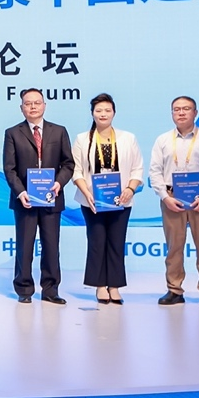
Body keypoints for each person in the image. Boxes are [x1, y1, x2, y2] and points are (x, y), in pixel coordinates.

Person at [148, 96, 199, 309]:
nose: (181, 113)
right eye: (177, 109)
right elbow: (154, 172)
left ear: (195, 112)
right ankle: (174, 290)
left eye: (186, 109)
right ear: (172, 113)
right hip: (172, 199)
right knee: (174, 247)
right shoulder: (163, 140)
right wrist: (165, 197)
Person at [2, 88, 73, 305]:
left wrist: (58, 183)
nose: (32, 107)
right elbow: (9, 168)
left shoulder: (59, 131)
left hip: (52, 198)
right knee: (24, 247)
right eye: (28, 103)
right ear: (21, 107)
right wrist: (20, 192)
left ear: (44, 105)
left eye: (37, 102)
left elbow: (68, 164)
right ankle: (24, 289)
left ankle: (50, 290)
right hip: (25, 200)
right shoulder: (13, 133)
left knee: (51, 246)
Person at [70, 93, 143, 305]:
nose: (103, 114)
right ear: (92, 113)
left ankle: (115, 286)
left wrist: (130, 189)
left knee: (116, 242)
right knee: (97, 241)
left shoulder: (128, 138)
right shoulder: (82, 139)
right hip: (92, 200)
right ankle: (100, 285)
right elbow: (76, 171)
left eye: (107, 110)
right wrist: (87, 193)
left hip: (121, 200)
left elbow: (137, 168)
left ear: (114, 113)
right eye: (99, 110)